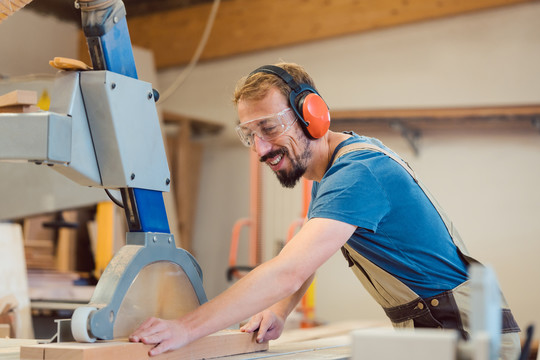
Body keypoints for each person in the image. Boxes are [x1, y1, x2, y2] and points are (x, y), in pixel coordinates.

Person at [129, 62, 521, 359]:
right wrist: (280, 311)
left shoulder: (358, 173)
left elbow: (288, 270)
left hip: (465, 332)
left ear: (311, 115)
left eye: (269, 128)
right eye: (250, 134)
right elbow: (309, 254)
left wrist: (185, 328)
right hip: (442, 325)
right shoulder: (332, 171)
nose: (261, 149)